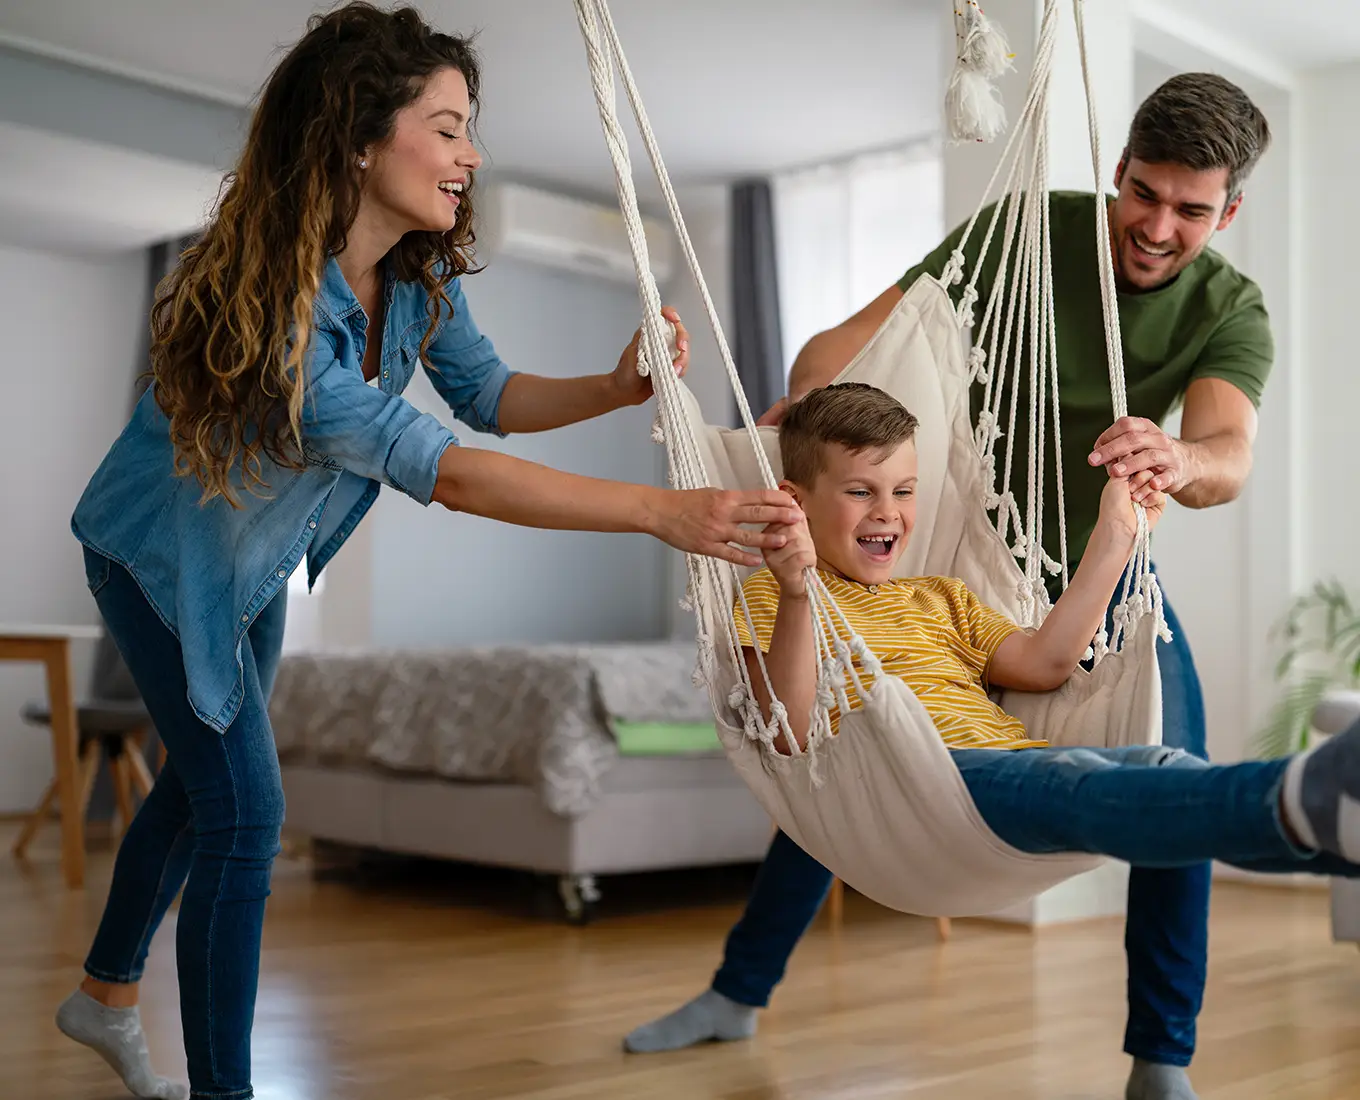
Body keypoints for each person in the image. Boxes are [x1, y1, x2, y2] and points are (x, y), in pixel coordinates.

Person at [51, 6, 799, 1100]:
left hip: (255, 559)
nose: (472, 155)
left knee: (203, 789)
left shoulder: (414, 279)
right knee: (246, 816)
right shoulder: (279, 315)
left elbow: (489, 397)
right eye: (447, 128)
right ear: (360, 137)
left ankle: (103, 995)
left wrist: (617, 384)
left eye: (469, 130)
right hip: (159, 561)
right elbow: (446, 471)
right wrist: (659, 511)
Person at [623, 72, 1273, 1100]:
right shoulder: (1027, 232)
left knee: (1171, 777)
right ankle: (738, 991)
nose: (1156, 227)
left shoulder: (1229, 308)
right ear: (1117, 172)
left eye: (1190, 210)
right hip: (972, 547)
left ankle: (1162, 1059)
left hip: (1099, 573)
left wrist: (1178, 459)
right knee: (855, 764)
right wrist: (809, 419)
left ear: (1226, 213)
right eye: (1143, 193)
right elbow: (855, 343)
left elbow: (1227, 452)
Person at [740, 382, 1356, 908]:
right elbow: (788, 732)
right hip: (918, 788)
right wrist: (796, 591)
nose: (888, 512)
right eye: (860, 492)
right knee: (1082, 779)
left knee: (1152, 765)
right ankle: (1310, 793)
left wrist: (1115, 537)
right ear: (796, 503)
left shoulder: (939, 597)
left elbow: (1045, 664)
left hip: (1015, 768)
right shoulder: (777, 597)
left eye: (903, 491)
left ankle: (1336, 822)